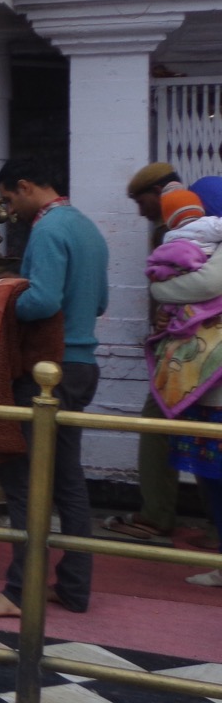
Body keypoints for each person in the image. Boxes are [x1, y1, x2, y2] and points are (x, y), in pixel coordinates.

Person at [0, 159, 108, 617]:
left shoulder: (48, 230)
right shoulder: (86, 227)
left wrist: (3, 293)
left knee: (24, 478)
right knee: (68, 480)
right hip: (82, 364)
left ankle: (18, 591)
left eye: (8, 199)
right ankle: (74, 586)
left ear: (26, 186)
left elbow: (43, 300)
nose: (8, 210)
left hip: (48, 371)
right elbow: (100, 300)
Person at [109, 163, 222, 544]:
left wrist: (162, 295)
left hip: (200, 355)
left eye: (142, 202)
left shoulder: (202, 230)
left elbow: (205, 282)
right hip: (190, 347)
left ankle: (157, 517)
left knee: (159, 422)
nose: (140, 211)